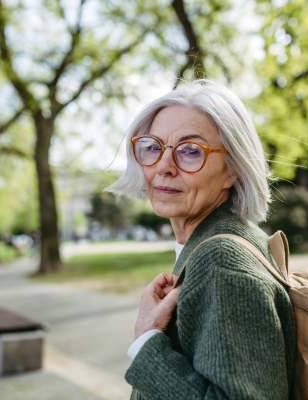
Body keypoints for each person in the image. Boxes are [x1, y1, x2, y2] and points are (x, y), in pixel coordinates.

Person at [106, 80, 296, 399]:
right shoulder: (224, 239)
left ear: (232, 169)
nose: (164, 166)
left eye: (191, 151)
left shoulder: (222, 261)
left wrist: (146, 344)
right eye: (153, 147)